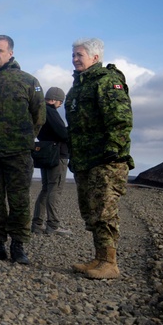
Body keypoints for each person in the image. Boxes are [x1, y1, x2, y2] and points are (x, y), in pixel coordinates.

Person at [0, 35, 45, 265]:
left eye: (0, 50)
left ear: (10, 53)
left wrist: (22, 139)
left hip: (18, 152)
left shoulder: (27, 81)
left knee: (19, 201)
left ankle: (18, 246)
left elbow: (39, 116)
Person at [66, 38, 134, 279]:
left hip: (105, 160)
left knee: (105, 210)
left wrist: (113, 149)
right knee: (91, 210)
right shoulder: (77, 87)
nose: (74, 59)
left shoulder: (107, 81)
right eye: (73, 55)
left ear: (95, 57)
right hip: (85, 160)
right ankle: (99, 257)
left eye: (79, 54)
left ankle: (110, 263)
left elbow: (120, 118)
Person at [32, 87, 73, 236]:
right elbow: (62, 134)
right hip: (58, 155)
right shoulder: (51, 112)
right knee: (55, 189)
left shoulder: (40, 111)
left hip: (45, 153)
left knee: (46, 188)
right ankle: (53, 225)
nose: (60, 105)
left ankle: (37, 223)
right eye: (60, 102)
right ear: (55, 100)